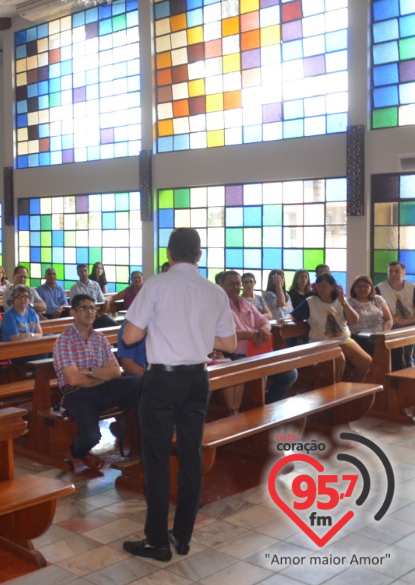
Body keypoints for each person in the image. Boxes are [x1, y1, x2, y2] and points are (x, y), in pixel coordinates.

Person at [122, 228, 236, 562]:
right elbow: (228, 344)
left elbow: (130, 337)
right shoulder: (214, 291)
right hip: (197, 380)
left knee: (156, 460)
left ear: (169, 254)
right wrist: (195, 334)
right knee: (191, 456)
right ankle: (182, 536)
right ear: (199, 256)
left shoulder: (156, 284)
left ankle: (156, 540)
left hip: (162, 380)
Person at [54, 294, 141, 473]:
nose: (90, 312)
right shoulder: (65, 340)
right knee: (92, 437)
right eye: (84, 308)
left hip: (101, 390)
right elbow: (73, 379)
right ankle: (76, 451)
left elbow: (117, 371)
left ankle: (147, 436)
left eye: (93, 308)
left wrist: (90, 372)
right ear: (73, 312)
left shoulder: (99, 338)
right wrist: (102, 375)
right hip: (76, 394)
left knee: (136, 383)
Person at [220, 271, 296, 403]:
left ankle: (266, 404)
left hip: (258, 351)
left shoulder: (245, 303)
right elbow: (224, 334)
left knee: (290, 373)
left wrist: (264, 330)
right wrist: (251, 335)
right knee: (260, 374)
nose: (235, 287)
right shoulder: (218, 306)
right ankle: (258, 409)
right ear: (220, 285)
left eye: (238, 284)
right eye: (230, 283)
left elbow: (265, 321)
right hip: (236, 355)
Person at [292, 273, 372, 382]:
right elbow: (293, 315)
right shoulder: (311, 301)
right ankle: (336, 393)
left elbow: (354, 320)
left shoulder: (341, 300)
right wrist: (286, 318)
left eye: (324, 286)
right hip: (321, 342)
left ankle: (351, 387)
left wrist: (344, 303)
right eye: (318, 286)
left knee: (366, 362)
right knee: (339, 359)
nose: (321, 288)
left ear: (333, 287)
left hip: (344, 340)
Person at [376, 261, 415, 370]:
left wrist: (410, 322)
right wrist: (394, 320)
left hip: (411, 322)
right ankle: (399, 367)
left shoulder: (412, 287)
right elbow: (379, 310)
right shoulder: (379, 288)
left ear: (404, 273)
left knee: (408, 346)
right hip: (391, 323)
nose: (393, 274)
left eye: (397, 271)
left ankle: (409, 364)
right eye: (390, 272)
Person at [347, 274, 393, 356]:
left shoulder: (378, 299)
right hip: (359, 336)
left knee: (395, 347)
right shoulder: (348, 302)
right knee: (375, 347)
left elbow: (389, 319)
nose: (362, 289)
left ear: (371, 288)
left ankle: (396, 369)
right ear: (354, 288)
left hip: (380, 335)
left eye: (366, 286)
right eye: (359, 287)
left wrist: (385, 331)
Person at [68, 264, 116, 328]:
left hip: (98, 314)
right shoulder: (74, 288)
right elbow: (74, 305)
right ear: (78, 274)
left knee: (113, 324)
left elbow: (101, 301)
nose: (84, 273)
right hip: (83, 316)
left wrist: (100, 312)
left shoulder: (96, 285)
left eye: (85, 271)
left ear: (88, 272)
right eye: (81, 272)